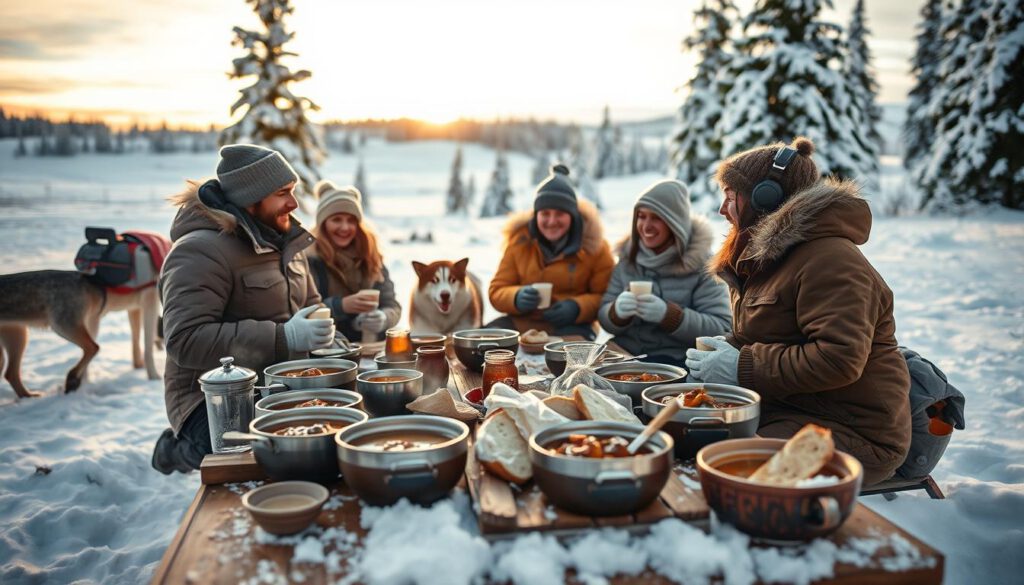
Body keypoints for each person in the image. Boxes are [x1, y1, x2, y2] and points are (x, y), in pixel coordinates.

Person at [685, 136, 911, 486]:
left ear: (765, 198)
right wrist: (724, 350)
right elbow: (764, 335)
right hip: (791, 411)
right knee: (691, 433)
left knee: (723, 465)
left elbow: (839, 359)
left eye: (730, 196)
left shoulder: (831, 260)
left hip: (854, 433)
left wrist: (740, 365)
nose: (721, 209)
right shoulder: (770, 259)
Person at [151, 144, 334, 474]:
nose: (293, 203)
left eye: (292, 191)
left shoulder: (285, 240)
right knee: (265, 456)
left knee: (325, 436)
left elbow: (311, 302)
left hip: (275, 384)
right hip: (208, 400)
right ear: (252, 198)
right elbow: (184, 340)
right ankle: (179, 450)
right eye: (283, 193)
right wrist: (284, 337)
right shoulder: (199, 250)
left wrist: (322, 328)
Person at [598, 179, 731, 367]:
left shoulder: (703, 265)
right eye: (641, 216)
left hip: (677, 361)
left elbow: (722, 328)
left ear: (676, 223)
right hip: (624, 354)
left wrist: (670, 316)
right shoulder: (628, 259)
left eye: (656, 218)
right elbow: (605, 319)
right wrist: (616, 312)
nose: (645, 226)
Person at [488, 164, 614, 340]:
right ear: (536, 215)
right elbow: (497, 290)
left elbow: (605, 296)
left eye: (560, 213)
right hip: (523, 322)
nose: (551, 221)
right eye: (545, 214)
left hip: (574, 326)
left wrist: (577, 307)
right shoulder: (520, 242)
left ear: (573, 215)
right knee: (486, 343)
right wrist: (516, 297)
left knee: (569, 362)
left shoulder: (595, 248)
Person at [306, 180, 400, 341]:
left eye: (351, 220)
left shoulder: (371, 256)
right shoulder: (308, 260)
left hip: (370, 348)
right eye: (336, 219)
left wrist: (383, 318)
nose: (345, 227)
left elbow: (392, 305)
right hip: (327, 351)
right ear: (323, 223)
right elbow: (302, 311)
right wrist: (340, 306)